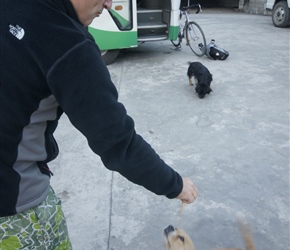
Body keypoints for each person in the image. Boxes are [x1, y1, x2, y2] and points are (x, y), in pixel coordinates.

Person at [0, 0, 198, 248]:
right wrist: (176, 184)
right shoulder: (67, 42)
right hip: (13, 207)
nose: (109, 3)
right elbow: (117, 142)